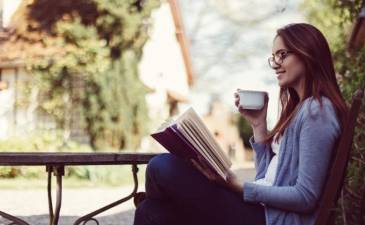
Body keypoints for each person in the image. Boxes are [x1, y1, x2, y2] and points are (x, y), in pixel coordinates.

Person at [133, 23, 348, 225]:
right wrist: (258, 124)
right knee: (150, 212)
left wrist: (237, 186)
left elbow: (305, 196)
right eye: (273, 57)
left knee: (161, 166)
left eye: (282, 55)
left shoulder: (317, 111)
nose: (276, 64)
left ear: (308, 52)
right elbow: (266, 178)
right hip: (262, 210)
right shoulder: (300, 109)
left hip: (271, 219)